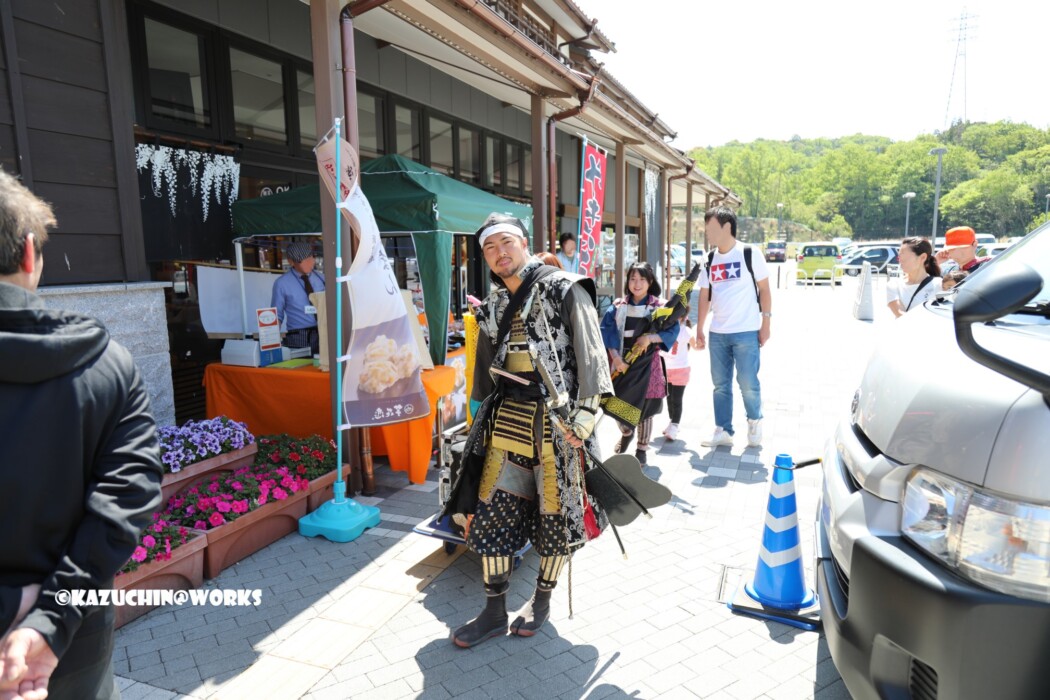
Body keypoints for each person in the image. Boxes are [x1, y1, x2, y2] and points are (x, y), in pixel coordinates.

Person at [0, 170, 163, 699]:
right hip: (70, 639)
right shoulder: (106, 364)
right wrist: (45, 616)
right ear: (30, 253)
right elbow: (128, 497)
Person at [442, 213, 612, 648]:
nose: (500, 253)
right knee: (493, 513)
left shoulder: (564, 287)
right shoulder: (494, 307)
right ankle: (494, 611)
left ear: (524, 243)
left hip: (560, 426)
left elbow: (592, 355)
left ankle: (541, 601)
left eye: (506, 243)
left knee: (554, 519)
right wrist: (476, 422)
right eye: (489, 248)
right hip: (508, 424)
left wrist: (588, 415)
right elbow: (484, 376)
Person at [695, 206, 772, 449]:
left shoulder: (750, 253)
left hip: (746, 331)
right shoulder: (708, 259)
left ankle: (754, 421)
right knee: (720, 384)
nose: (707, 232)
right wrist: (699, 328)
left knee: (748, 381)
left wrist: (766, 323)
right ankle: (724, 430)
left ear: (727, 227)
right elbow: (705, 295)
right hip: (718, 333)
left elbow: (765, 289)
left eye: (712, 227)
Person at [600, 262, 679, 465]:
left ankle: (642, 449)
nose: (637, 284)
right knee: (615, 403)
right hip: (621, 363)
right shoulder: (618, 306)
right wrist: (616, 359)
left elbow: (672, 330)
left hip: (648, 364)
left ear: (650, 282)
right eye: (633, 279)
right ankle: (627, 432)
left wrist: (650, 339)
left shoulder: (660, 307)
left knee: (645, 409)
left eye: (642, 279)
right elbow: (606, 332)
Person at [271, 239, 325, 354]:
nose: (307, 264)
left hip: (324, 332)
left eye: (309, 259)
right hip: (298, 336)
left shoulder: (322, 279)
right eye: (302, 261)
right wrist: (271, 341)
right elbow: (276, 315)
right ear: (291, 261)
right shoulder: (281, 283)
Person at [660, 312, 695, 441]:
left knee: (676, 399)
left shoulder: (685, 331)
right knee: (669, 399)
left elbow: (696, 346)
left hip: (681, 370)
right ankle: (672, 422)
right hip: (666, 370)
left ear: (683, 316)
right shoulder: (664, 330)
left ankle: (675, 426)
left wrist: (702, 343)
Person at [887, 237, 942, 317]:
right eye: (899, 255)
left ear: (922, 257)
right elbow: (900, 314)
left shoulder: (939, 284)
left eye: (903, 255)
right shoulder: (894, 285)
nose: (899, 259)